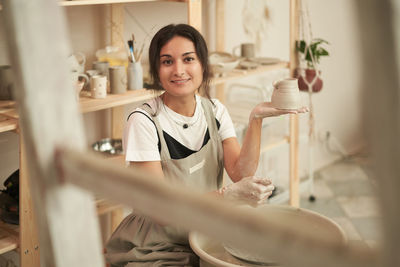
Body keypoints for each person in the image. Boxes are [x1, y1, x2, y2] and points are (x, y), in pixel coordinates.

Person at [105, 23, 307, 267]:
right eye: (167, 61)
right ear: (157, 70)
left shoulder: (214, 110)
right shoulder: (143, 122)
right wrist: (226, 196)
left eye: (188, 59)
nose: (179, 70)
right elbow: (161, 210)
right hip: (157, 244)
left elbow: (240, 172)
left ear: (203, 65)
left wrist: (256, 119)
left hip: (206, 229)